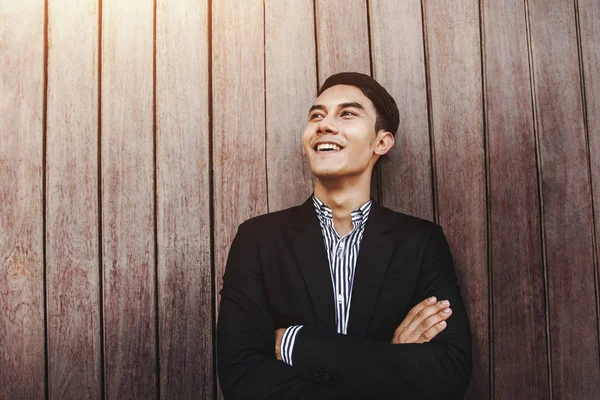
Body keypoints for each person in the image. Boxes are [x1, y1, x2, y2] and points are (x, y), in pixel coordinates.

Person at [217, 72, 472, 399]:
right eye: (316, 115)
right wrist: (390, 357)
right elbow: (242, 380)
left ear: (381, 141)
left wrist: (301, 344)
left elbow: (448, 374)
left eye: (347, 114)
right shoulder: (258, 239)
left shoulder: (421, 241)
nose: (324, 125)